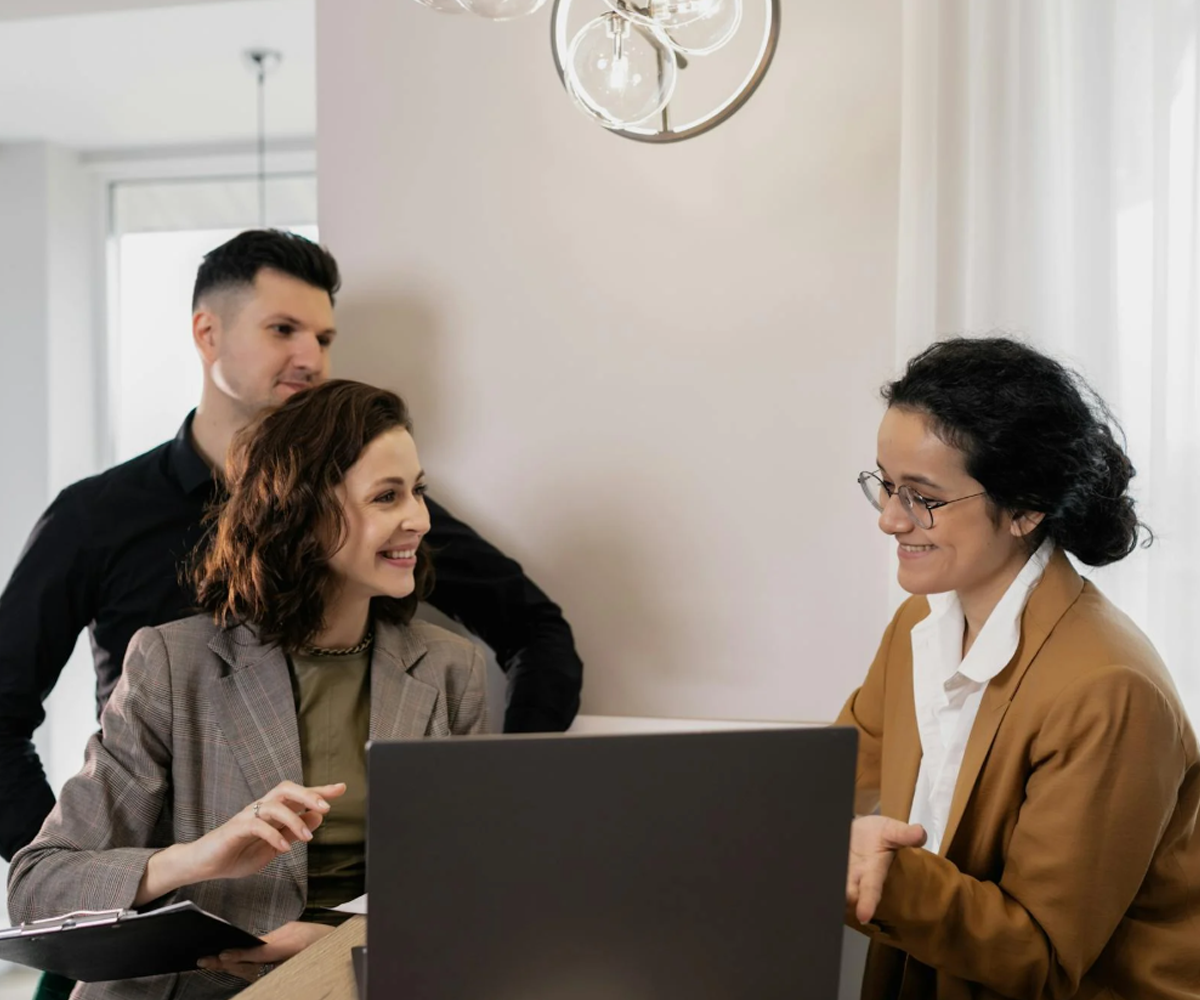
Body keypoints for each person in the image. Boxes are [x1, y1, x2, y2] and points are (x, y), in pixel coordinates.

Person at [0, 229, 582, 865]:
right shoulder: (97, 516)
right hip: (159, 891)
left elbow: (537, 631)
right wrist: (80, 876)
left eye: (324, 338)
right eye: (283, 330)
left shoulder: (373, 519)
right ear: (208, 334)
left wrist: (502, 794)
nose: (311, 358)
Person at [8, 380, 487, 999]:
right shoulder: (172, 662)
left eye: (416, 491)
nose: (418, 519)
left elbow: (468, 889)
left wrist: (347, 945)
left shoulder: (453, 669)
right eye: (386, 496)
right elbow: (39, 884)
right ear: (305, 515)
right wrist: (200, 856)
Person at [839, 337, 1200, 999]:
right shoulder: (915, 629)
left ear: (1027, 508)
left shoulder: (1109, 689)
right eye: (886, 486)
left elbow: (1041, 956)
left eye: (922, 497)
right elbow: (831, 793)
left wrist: (880, 873)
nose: (891, 519)